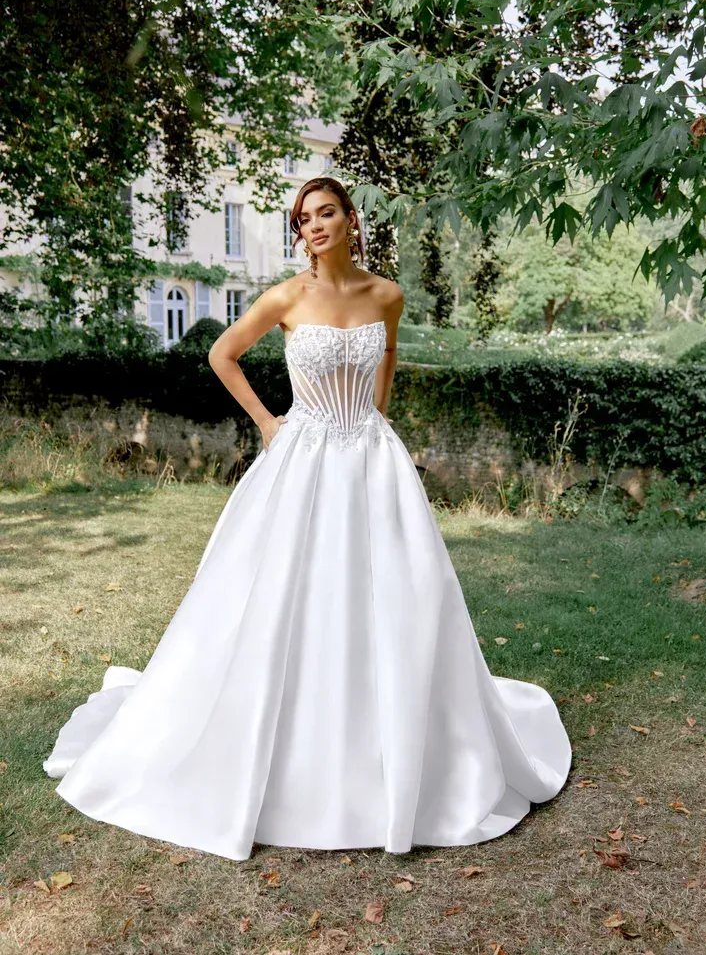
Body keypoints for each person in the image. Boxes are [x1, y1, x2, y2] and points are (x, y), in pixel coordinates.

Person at [43, 176, 572, 861]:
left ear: (351, 219)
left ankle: (404, 740)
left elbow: (386, 356)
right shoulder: (287, 296)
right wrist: (267, 423)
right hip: (304, 456)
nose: (313, 227)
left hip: (372, 460)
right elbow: (221, 354)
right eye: (302, 220)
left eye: (325, 214)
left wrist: (379, 417)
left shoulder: (386, 294)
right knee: (287, 599)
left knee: (404, 598)